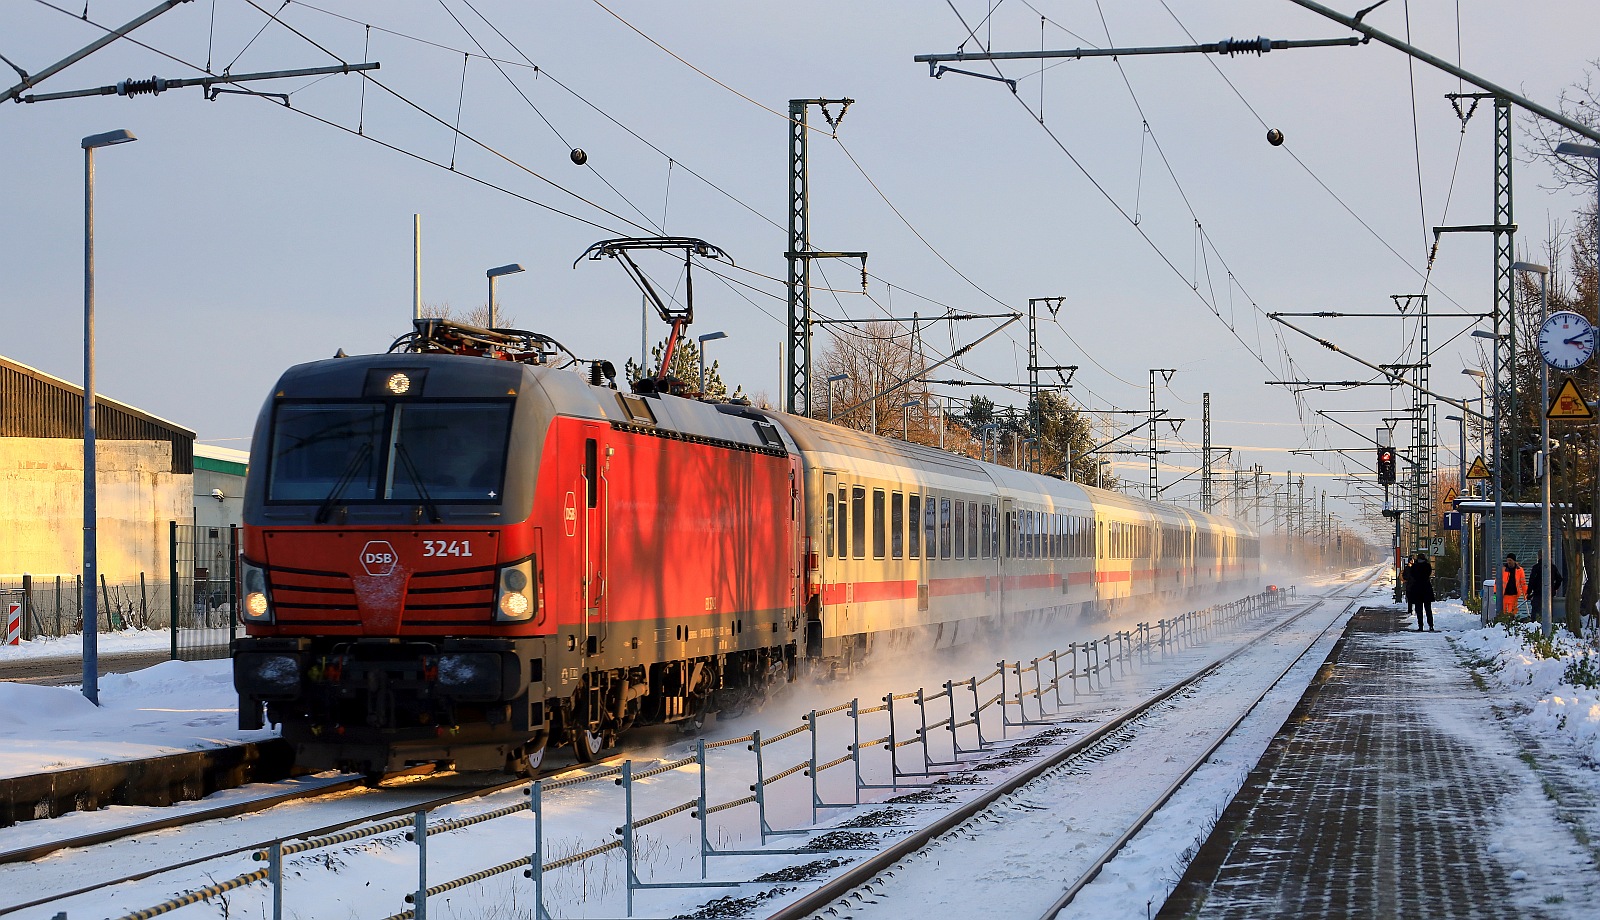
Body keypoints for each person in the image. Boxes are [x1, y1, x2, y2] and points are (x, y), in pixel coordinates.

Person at [1527, 551, 1564, 624]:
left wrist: (1529, 592)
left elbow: (1531, 581)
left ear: (1539, 556)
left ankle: (1535, 625)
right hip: (1549, 594)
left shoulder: (1536, 567)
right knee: (1548, 611)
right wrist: (1554, 588)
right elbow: (1559, 579)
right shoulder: (1552, 567)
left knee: (1536, 612)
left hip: (1538, 593)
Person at [1403, 552, 1435, 632]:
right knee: (1428, 609)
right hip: (1426, 589)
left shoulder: (1415, 566)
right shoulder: (1427, 566)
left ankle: (1420, 626)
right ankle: (1431, 625)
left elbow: (1411, 576)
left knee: (1419, 609)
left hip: (1417, 589)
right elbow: (1429, 574)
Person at [1501, 553, 1528, 620]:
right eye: (1507, 560)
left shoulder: (1519, 570)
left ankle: (1510, 621)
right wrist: (1495, 595)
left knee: (1512, 611)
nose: (1508, 562)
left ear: (1514, 561)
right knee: (1503, 611)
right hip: (1504, 594)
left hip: (1514, 594)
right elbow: (1497, 582)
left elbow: (1523, 583)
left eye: (1510, 560)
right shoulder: (1503, 570)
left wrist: (1526, 594)